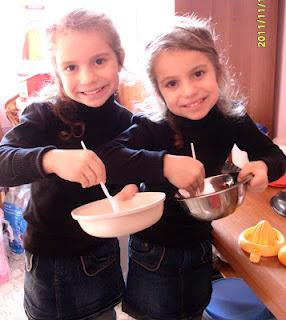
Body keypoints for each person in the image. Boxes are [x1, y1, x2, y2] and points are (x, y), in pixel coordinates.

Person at [98, 15, 286, 320]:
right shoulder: (152, 127)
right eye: (172, 83)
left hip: (201, 246)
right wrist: (163, 164)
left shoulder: (231, 118)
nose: (188, 91)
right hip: (154, 250)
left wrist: (264, 167)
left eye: (198, 73)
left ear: (217, 71)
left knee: (194, 312)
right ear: (159, 91)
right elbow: (107, 157)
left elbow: (275, 155)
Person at [0, 9, 137, 320]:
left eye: (99, 61)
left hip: (103, 252)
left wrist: (131, 187)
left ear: (119, 58)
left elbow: (130, 173)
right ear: (57, 71)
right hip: (52, 262)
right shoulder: (43, 115)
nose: (87, 78)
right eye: (71, 67)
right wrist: (50, 159)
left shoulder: (127, 122)